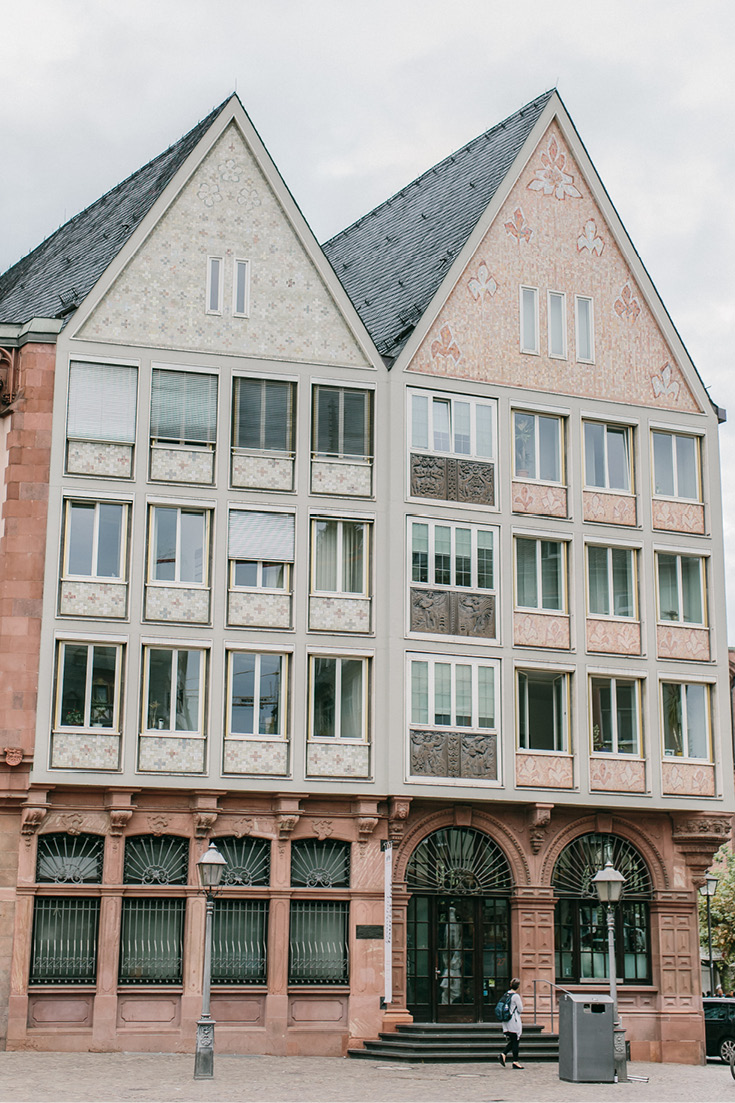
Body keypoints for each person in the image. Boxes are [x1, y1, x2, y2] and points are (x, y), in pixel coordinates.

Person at [498, 978, 524, 1069]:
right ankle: (515, 1061)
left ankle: (504, 1054)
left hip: (506, 1022)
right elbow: (520, 1009)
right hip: (514, 1021)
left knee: (513, 1040)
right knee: (516, 1040)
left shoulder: (506, 994)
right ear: (518, 986)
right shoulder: (516, 996)